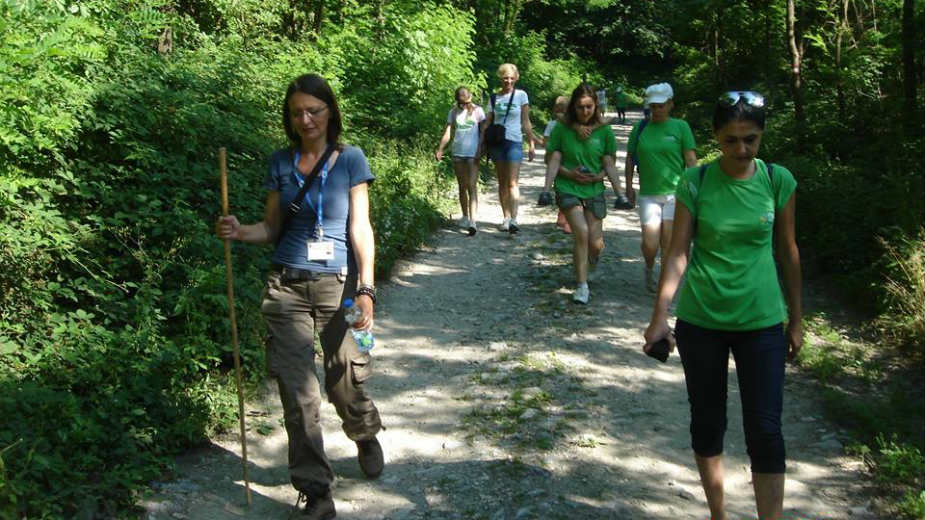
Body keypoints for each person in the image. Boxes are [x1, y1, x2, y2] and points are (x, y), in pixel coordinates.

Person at [215, 73, 383, 520]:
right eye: (296, 113)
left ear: (331, 112)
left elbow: (360, 228)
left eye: (314, 110)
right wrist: (238, 231)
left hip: (341, 284)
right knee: (297, 390)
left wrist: (365, 289)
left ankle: (364, 431)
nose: (305, 119)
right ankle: (315, 490)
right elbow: (271, 229)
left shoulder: (351, 159)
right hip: (286, 284)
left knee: (344, 377)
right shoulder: (280, 162)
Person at [643, 91, 802, 520]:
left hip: (763, 321)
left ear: (761, 135)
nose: (741, 149)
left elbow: (788, 253)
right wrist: (659, 318)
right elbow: (677, 253)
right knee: (708, 423)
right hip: (701, 320)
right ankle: (719, 515)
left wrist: (797, 321)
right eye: (731, 140)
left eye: (750, 139)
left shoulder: (777, 180)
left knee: (765, 431)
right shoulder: (694, 182)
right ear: (716, 137)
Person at [544, 83, 624, 304]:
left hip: (594, 189)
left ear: (595, 106)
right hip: (568, 186)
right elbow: (549, 161)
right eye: (580, 107)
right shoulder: (562, 129)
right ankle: (582, 286)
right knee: (581, 232)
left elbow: (610, 162)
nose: (585, 112)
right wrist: (569, 173)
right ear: (573, 108)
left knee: (596, 243)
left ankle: (590, 262)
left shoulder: (605, 131)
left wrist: (599, 176)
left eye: (589, 107)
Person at [625, 82, 697, 292]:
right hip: (648, 194)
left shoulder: (681, 127)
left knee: (668, 243)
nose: (656, 109)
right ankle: (649, 268)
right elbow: (630, 159)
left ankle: (664, 287)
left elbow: (691, 160)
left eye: (661, 105)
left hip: (676, 194)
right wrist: (629, 187)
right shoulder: (640, 129)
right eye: (653, 106)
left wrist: (695, 190)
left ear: (670, 104)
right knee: (650, 243)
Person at [481, 63, 536, 234]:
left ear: (516, 78)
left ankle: (514, 218)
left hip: (514, 141)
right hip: (497, 143)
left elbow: (526, 121)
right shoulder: (494, 98)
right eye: (505, 78)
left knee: (512, 182)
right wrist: (479, 141)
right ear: (501, 78)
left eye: (512, 78)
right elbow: (488, 122)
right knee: (502, 182)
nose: (508, 81)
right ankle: (505, 217)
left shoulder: (521, 96)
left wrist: (532, 143)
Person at [436, 86, 486, 236]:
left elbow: (483, 132)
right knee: (462, 185)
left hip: (473, 154)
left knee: (472, 185)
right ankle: (464, 216)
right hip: (457, 152)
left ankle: (473, 221)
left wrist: (480, 149)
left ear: (470, 97)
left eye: (466, 102)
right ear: (457, 100)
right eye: (461, 103)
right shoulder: (453, 112)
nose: (464, 105)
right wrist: (440, 148)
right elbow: (447, 132)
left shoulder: (478, 111)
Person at [536, 96, 571, 234]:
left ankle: (568, 218)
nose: (560, 114)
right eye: (558, 111)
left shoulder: (572, 126)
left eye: (563, 111)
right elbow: (545, 143)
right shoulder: (551, 125)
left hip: (569, 160)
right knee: (559, 188)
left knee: (569, 188)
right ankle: (562, 213)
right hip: (554, 160)